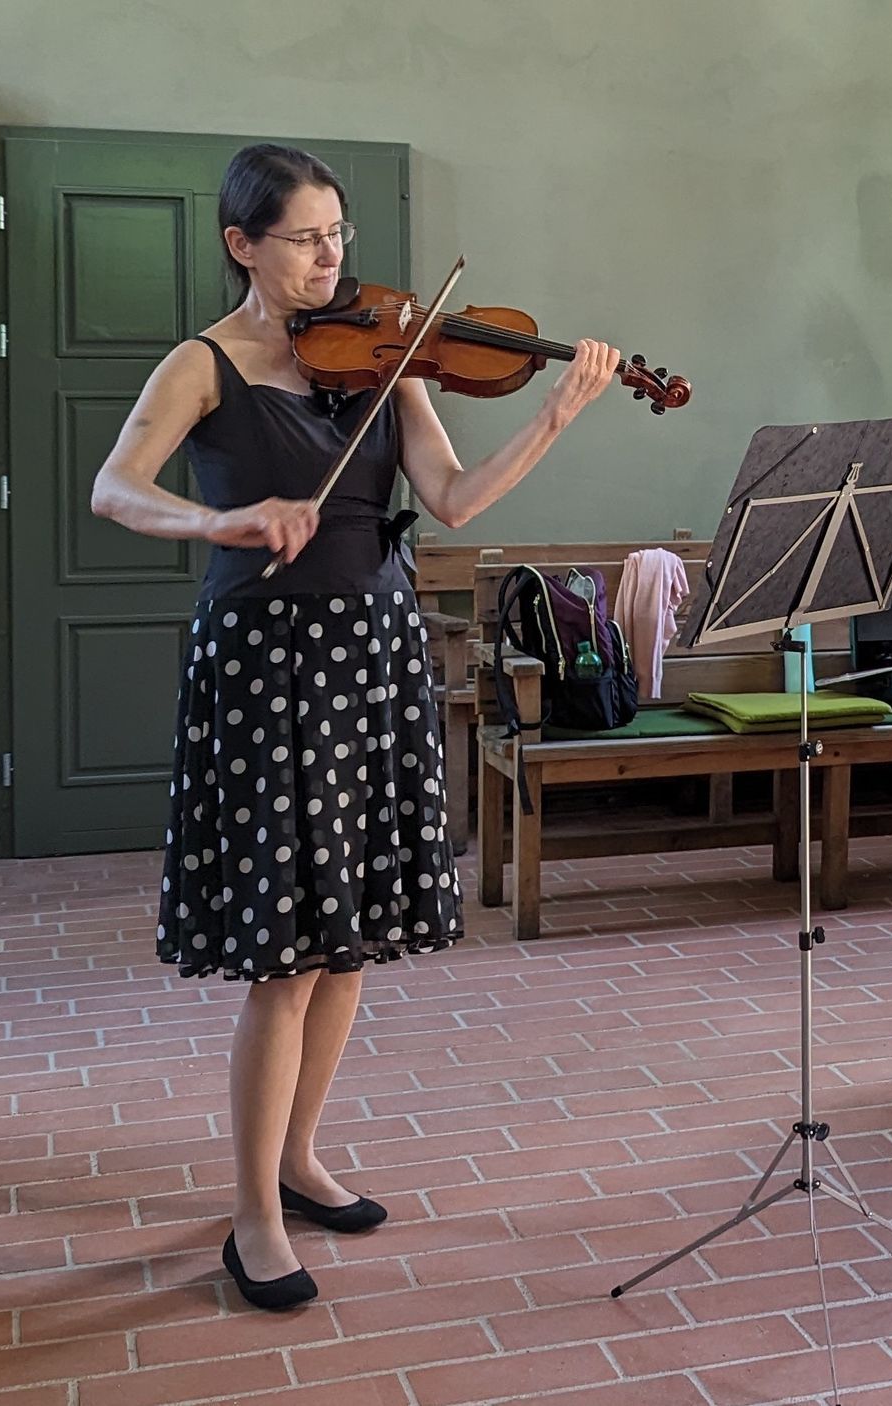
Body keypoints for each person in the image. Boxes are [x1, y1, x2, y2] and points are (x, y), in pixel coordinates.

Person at [90, 144, 620, 1310]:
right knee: (283, 958)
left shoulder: (391, 358)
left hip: (374, 661)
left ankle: (299, 1152)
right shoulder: (205, 365)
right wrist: (223, 521)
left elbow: (455, 498)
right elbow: (115, 489)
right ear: (244, 245)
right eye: (307, 239)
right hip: (269, 669)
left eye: (341, 236)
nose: (334, 259)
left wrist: (559, 414)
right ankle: (254, 1216)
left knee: (348, 942)